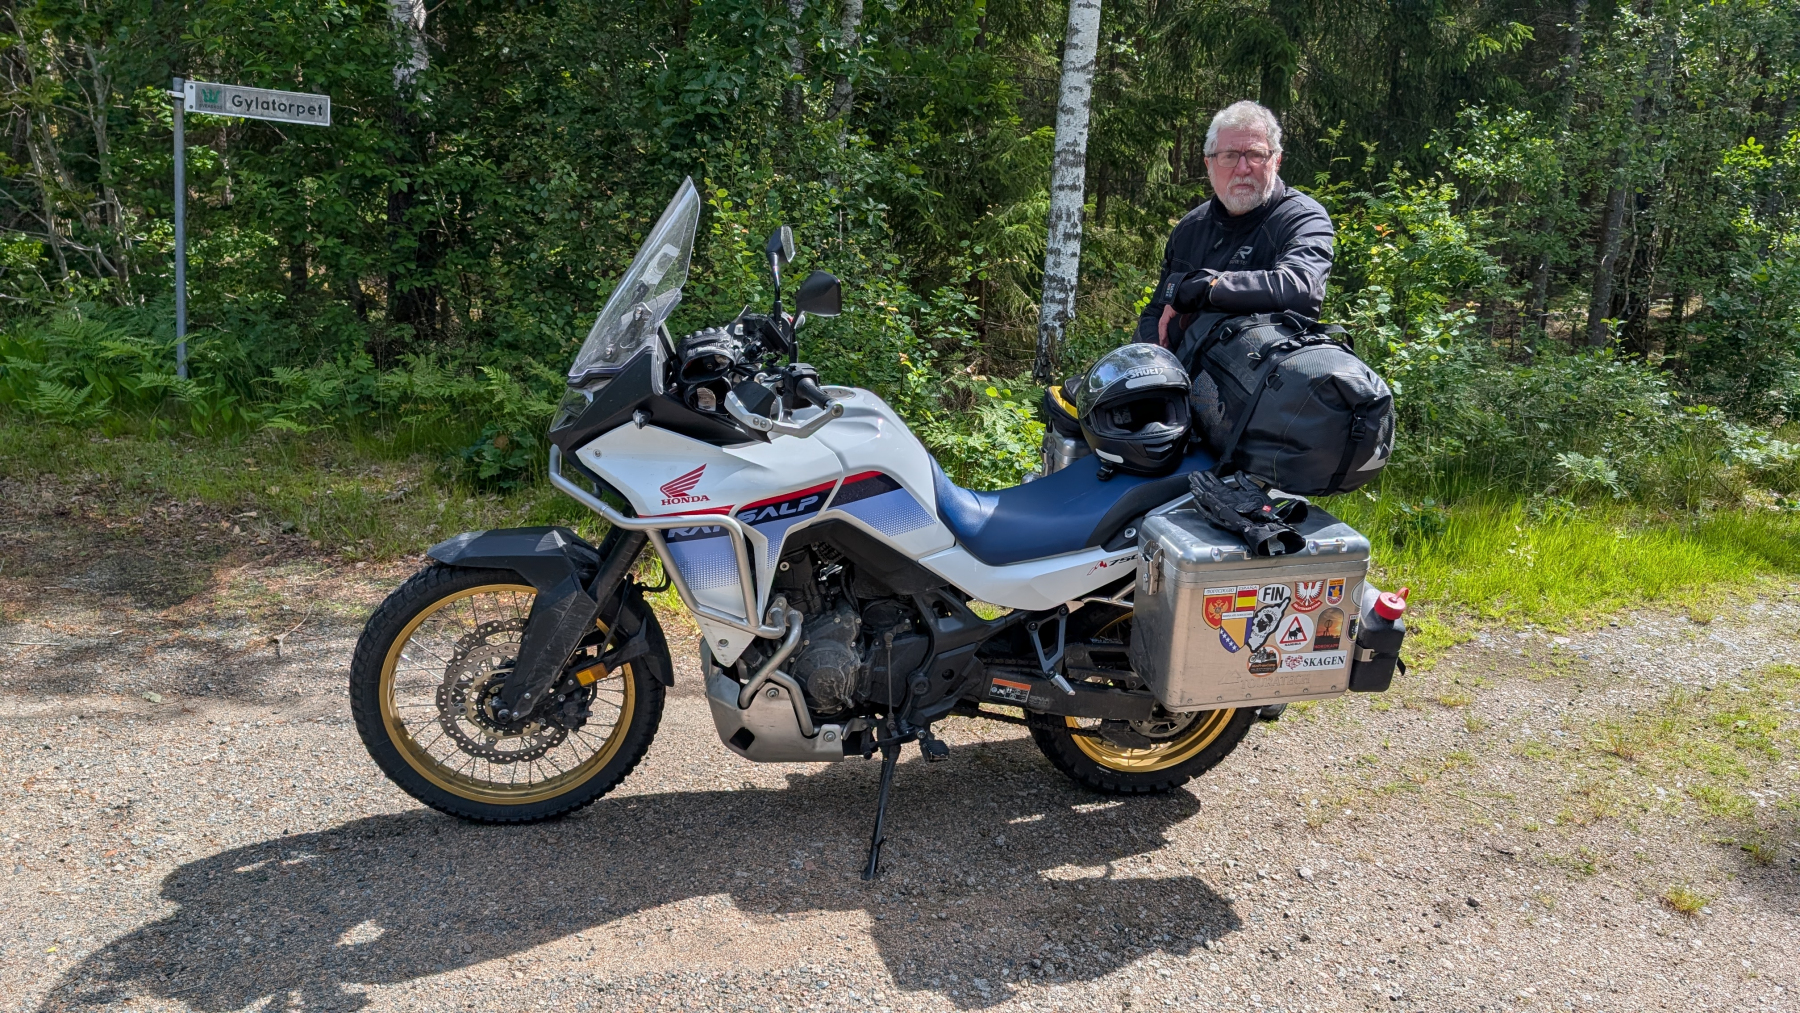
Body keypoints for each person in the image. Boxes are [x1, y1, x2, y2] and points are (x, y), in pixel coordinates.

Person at [1134, 100, 1335, 353]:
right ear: (1209, 165)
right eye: (1229, 156)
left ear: (1277, 161)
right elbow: (1156, 310)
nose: (1242, 169)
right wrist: (1153, 354)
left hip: (1262, 371)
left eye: (1255, 155)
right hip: (1185, 369)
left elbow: (1301, 289)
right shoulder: (1190, 229)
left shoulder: (1301, 218)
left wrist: (1206, 286)